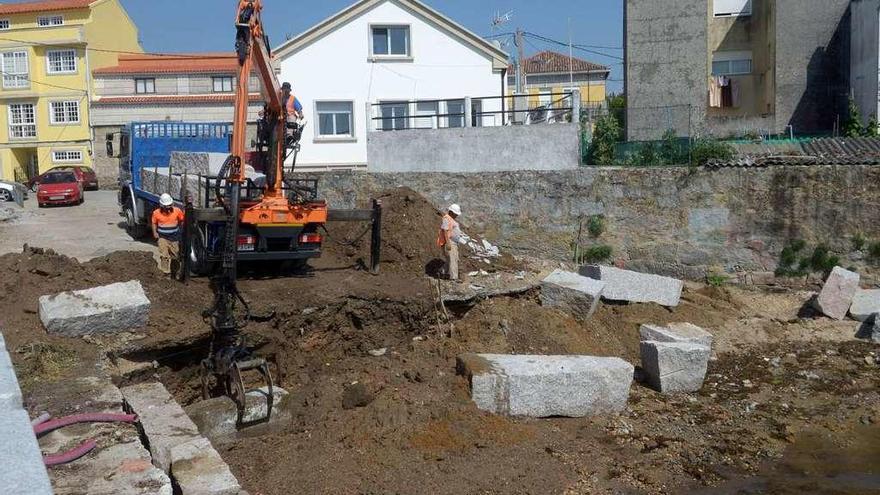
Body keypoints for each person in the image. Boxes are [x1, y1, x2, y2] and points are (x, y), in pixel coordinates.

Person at [151, 194, 185, 276]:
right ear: (162, 205)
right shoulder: (156, 213)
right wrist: (155, 233)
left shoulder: (177, 211)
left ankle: (175, 272)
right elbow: (154, 223)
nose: (168, 208)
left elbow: (182, 220)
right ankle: (165, 273)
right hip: (163, 237)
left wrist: (181, 230)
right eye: (166, 206)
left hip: (174, 237)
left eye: (170, 205)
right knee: (164, 256)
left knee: (175, 256)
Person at [437, 204, 467, 281]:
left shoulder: (451, 219)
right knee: (452, 260)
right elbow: (445, 230)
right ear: (451, 212)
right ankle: (454, 279)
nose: (457, 215)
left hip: (453, 242)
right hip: (450, 242)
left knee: (452, 260)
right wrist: (448, 243)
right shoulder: (446, 218)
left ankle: (442, 272)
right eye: (456, 213)